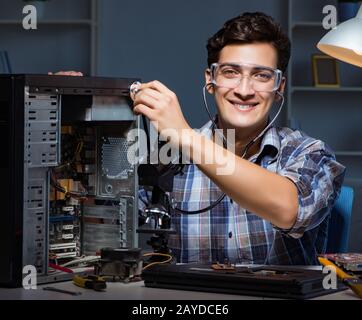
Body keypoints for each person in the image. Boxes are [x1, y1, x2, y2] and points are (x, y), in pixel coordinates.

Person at [135, 12, 345, 265]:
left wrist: (184, 136)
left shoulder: (309, 152)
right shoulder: (166, 158)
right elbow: (110, 218)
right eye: (231, 72)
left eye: (261, 75)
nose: (244, 90)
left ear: (279, 87)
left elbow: (290, 210)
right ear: (210, 80)